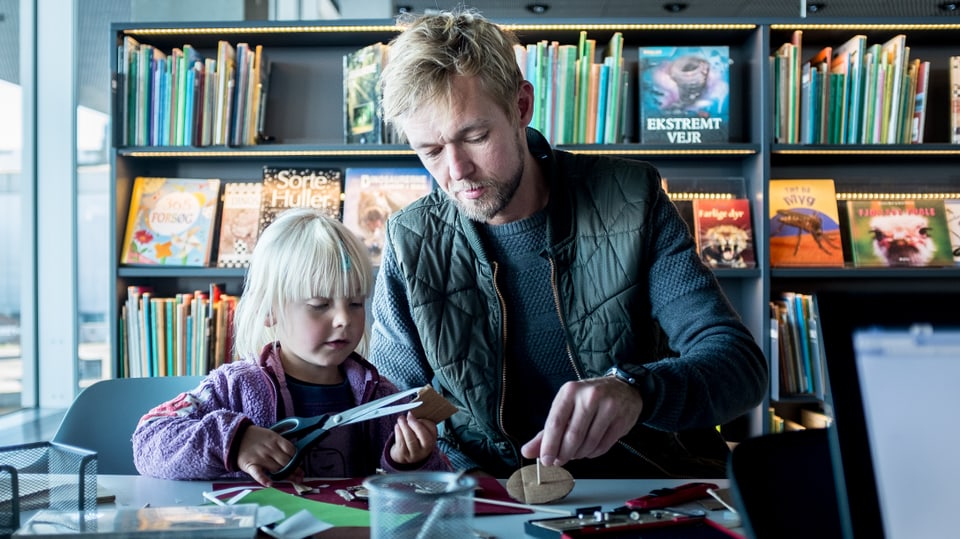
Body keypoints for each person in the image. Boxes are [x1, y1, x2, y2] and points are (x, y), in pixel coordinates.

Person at [368, 9, 768, 479]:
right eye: (430, 151)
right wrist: (401, 449)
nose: (456, 171)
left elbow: (739, 366)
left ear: (521, 107)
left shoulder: (631, 200)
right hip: (485, 500)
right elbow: (389, 412)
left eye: (475, 137)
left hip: (646, 488)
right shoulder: (409, 239)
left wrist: (637, 390)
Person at [133, 208, 450, 486]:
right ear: (270, 310)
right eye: (319, 304)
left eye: (355, 303)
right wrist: (234, 441)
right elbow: (148, 441)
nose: (344, 318)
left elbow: (432, 489)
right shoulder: (234, 387)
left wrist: (412, 462)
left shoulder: (379, 396)